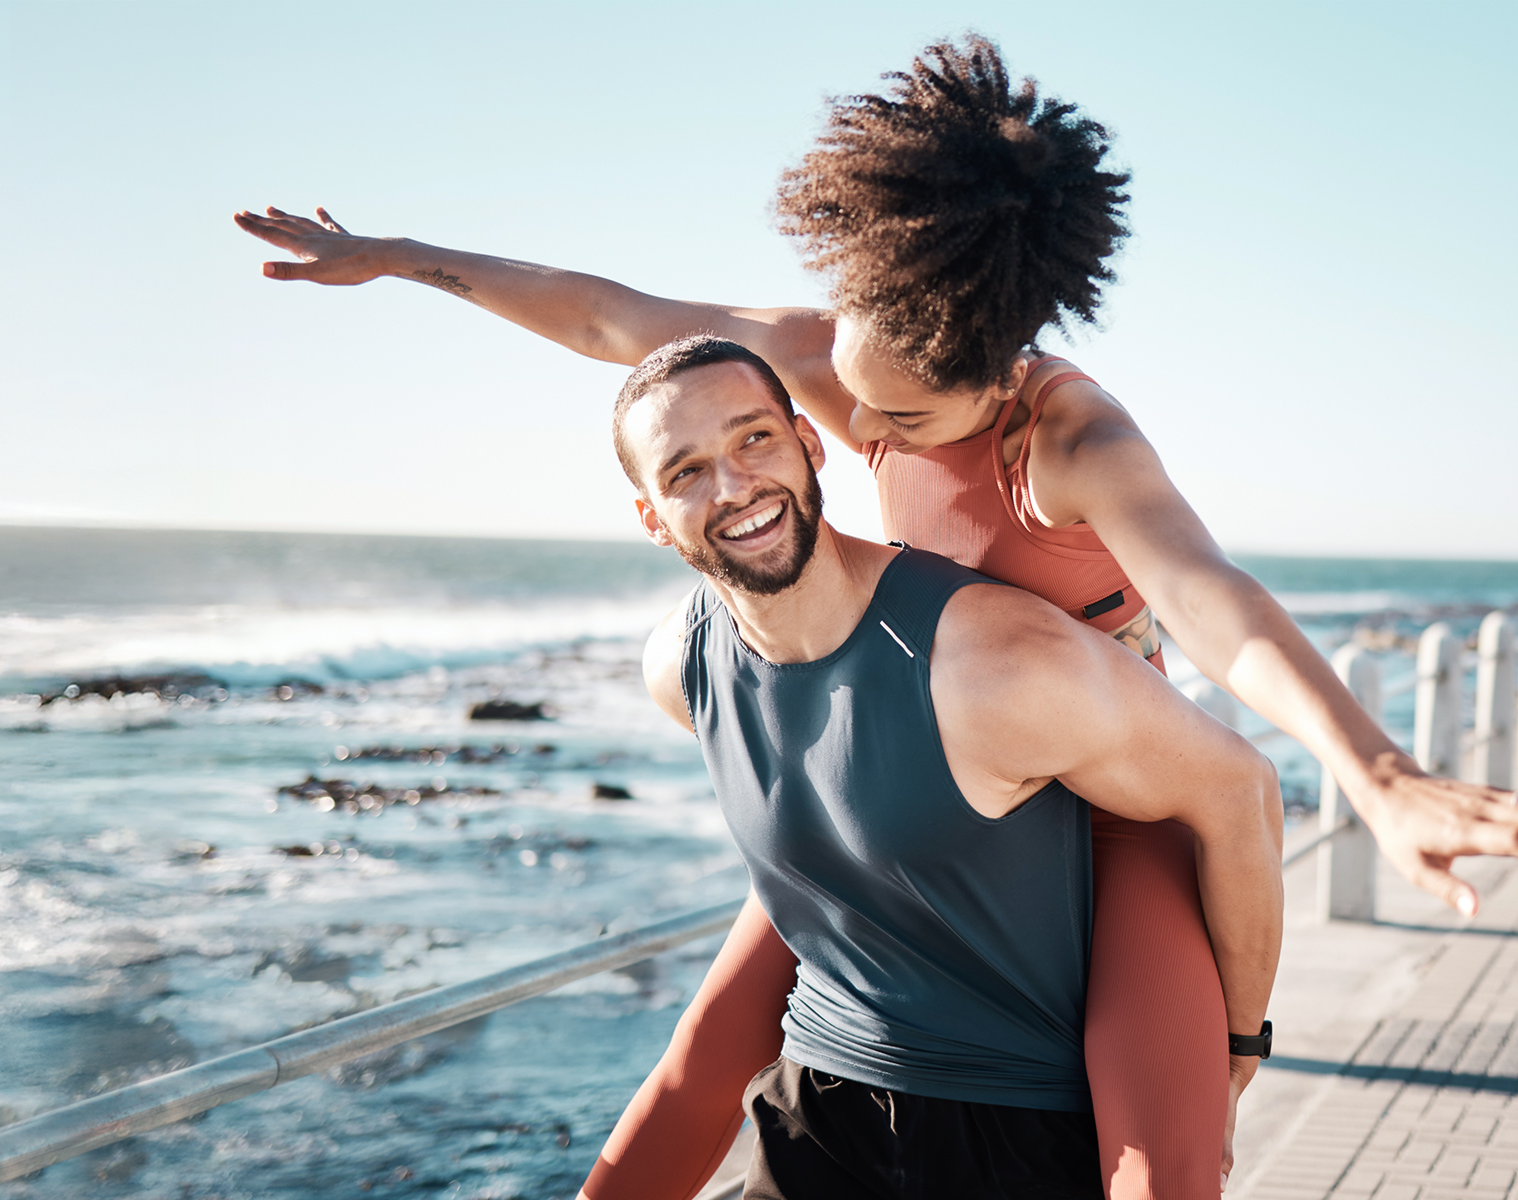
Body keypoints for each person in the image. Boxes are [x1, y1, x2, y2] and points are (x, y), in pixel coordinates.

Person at [233, 33, 1518, 1198]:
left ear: (992, 376)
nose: (854, 438)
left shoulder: (1067, 440)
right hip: (920, 764)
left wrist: (1378, 770)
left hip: (1102, 787)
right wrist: (402, 260)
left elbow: (1210, 600)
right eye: (844, 402)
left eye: (895, 425)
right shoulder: (846, 355)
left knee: (1169, 1156)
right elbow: (602, 317)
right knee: (698, 1067)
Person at [602, 332, 1282, 1198]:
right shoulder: (683, 671)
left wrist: (1234, 1047)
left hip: (1016, 1129)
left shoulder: (997, 663)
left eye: (754, 439)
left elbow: (1240, 789)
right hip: (819, 1095)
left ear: (812, 443)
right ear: (653, 519)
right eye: (686, 471)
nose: (733, 486)